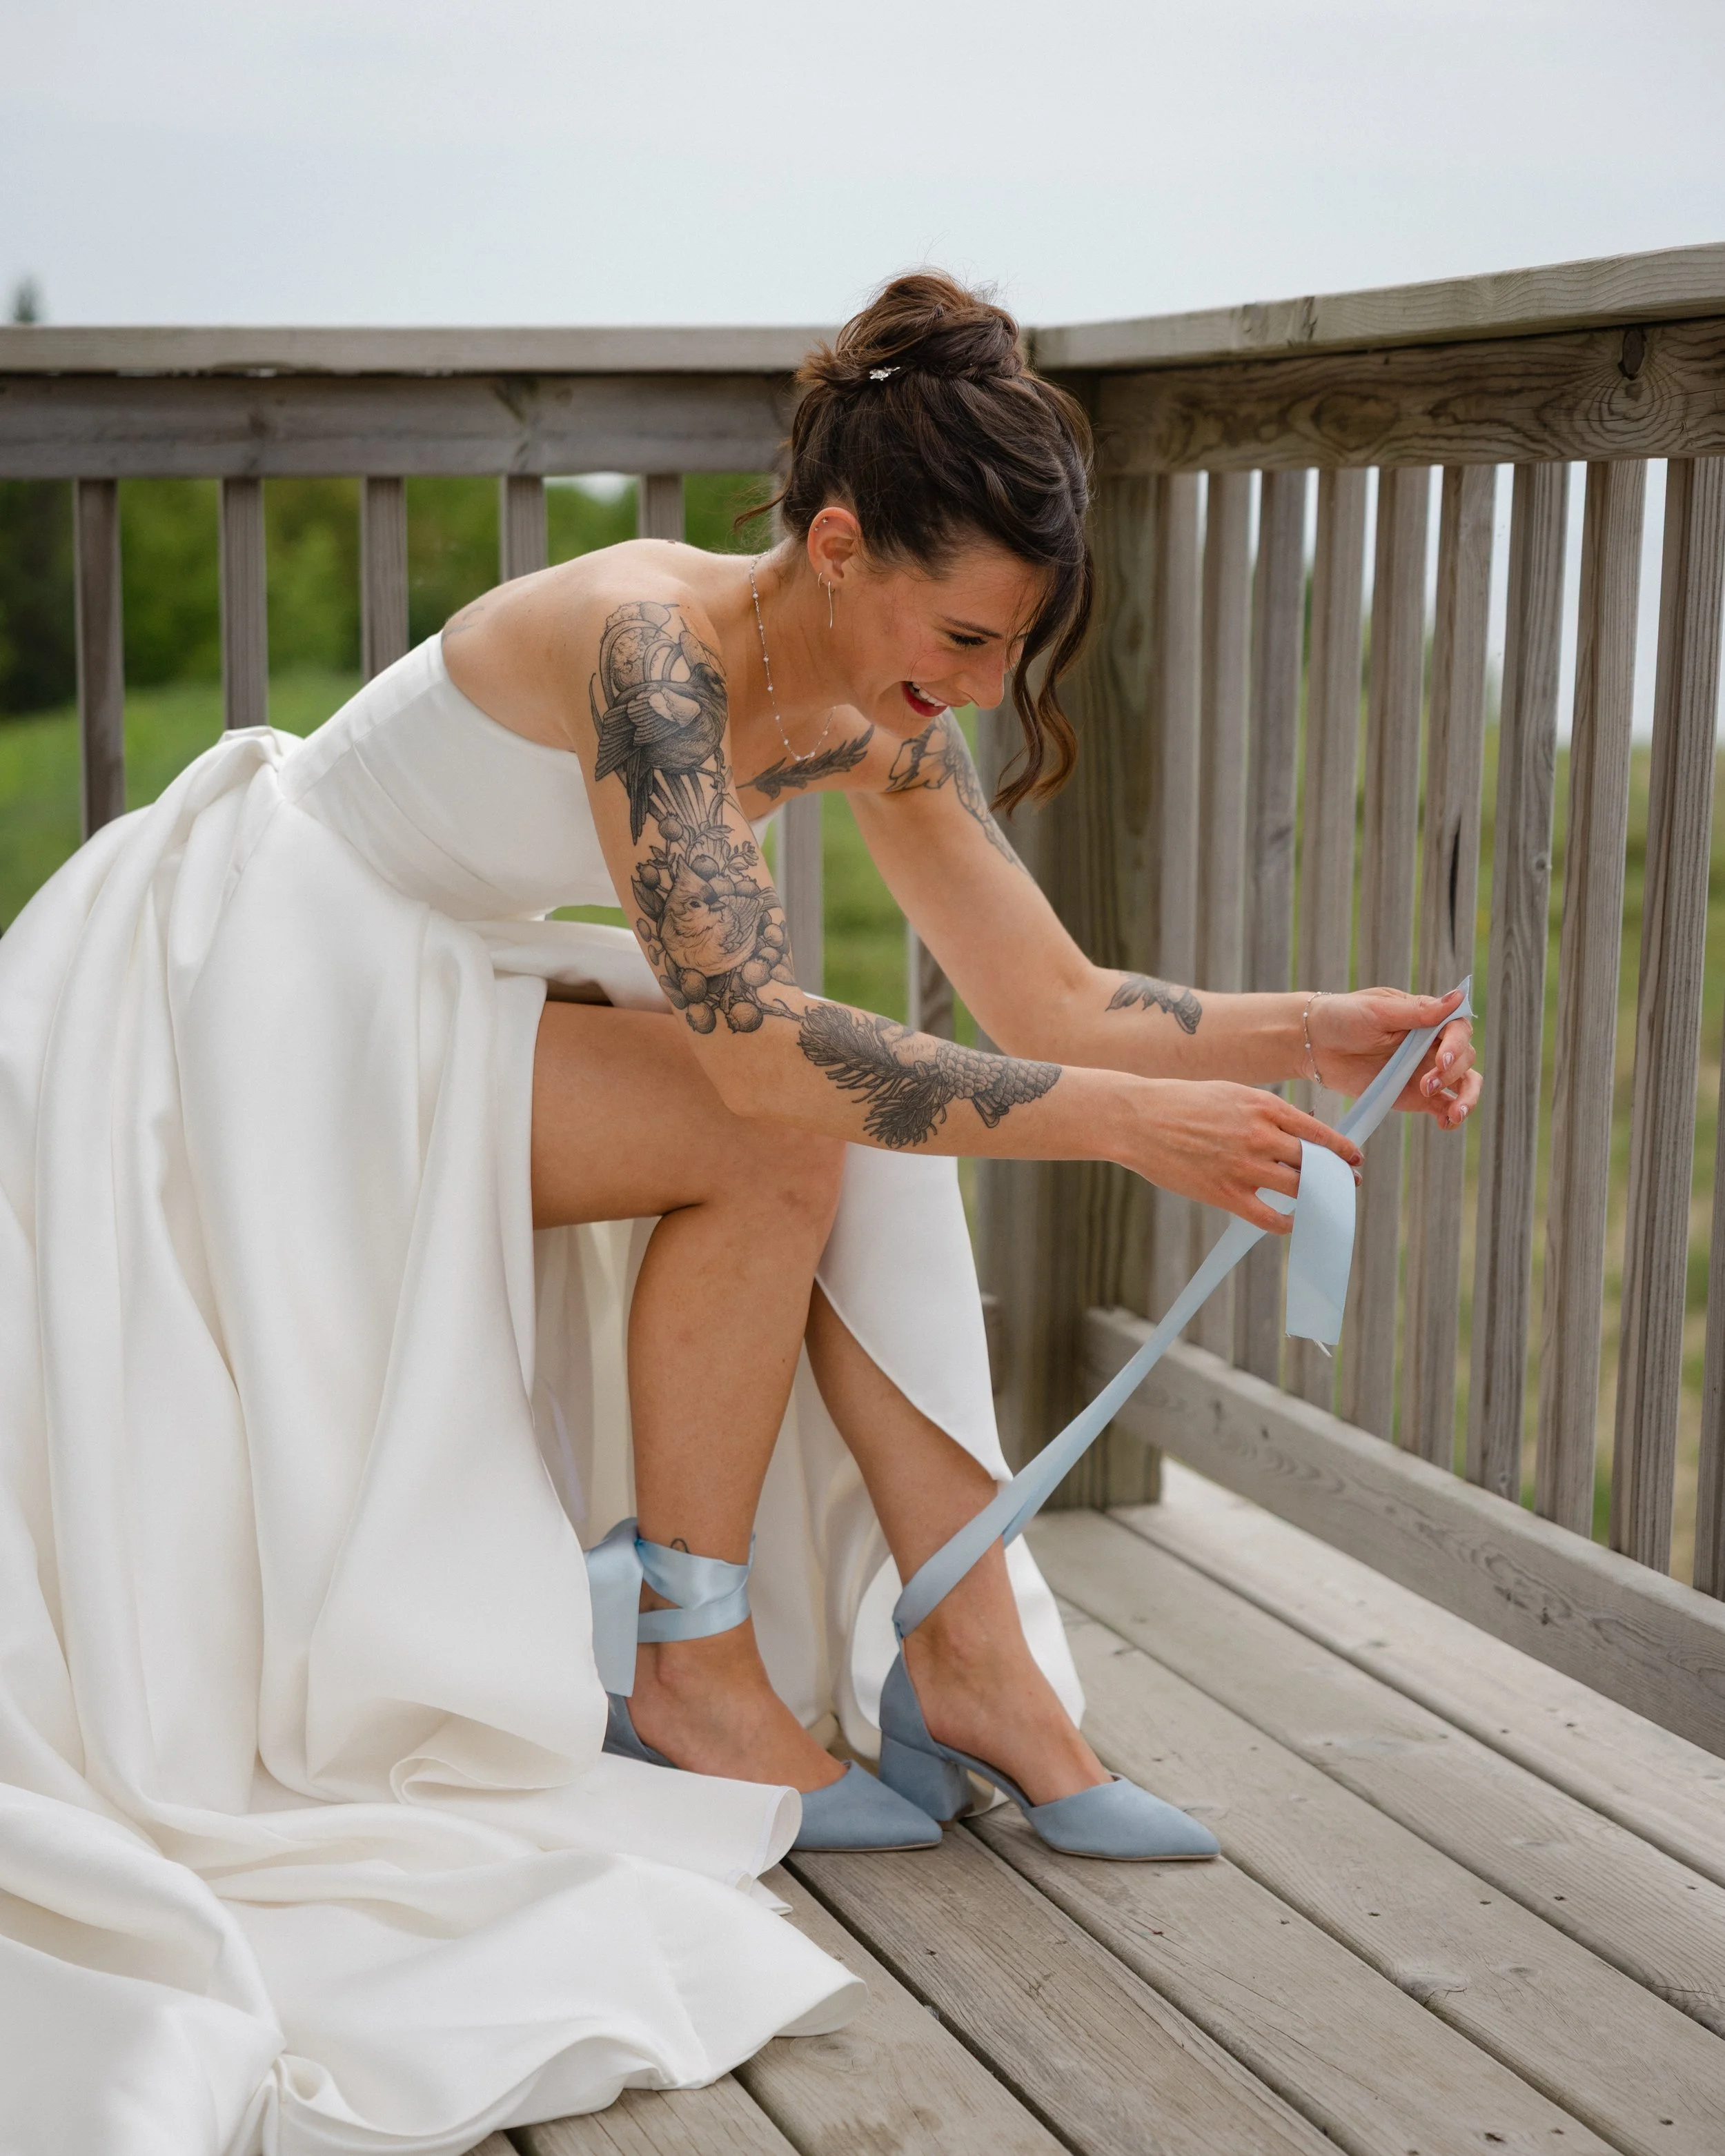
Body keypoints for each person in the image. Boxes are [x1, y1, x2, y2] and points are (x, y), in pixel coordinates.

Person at [0, 270, 1478, 2154]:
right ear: (838, 542)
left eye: (999, 655)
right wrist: (1121, 1126)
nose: (966, 690)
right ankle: (703, 1671)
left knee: (839, 1114)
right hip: (269, 1003)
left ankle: (952, 1658)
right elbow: (768, 1051)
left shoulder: (882, 696)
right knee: (796, 1118)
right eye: (953, 633)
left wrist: (1311, 1028)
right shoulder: (650, 651)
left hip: (450, 986)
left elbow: (1050, 1001)